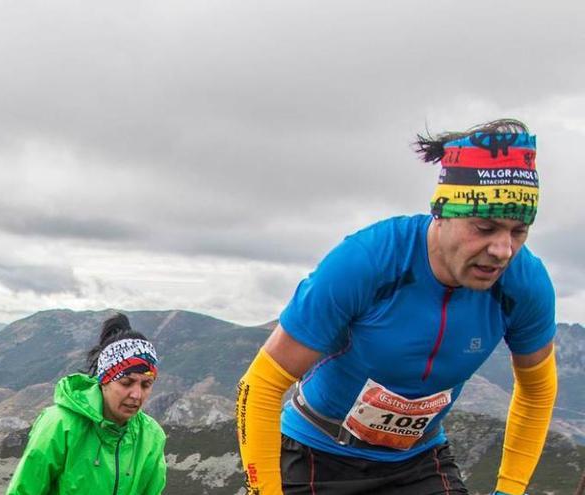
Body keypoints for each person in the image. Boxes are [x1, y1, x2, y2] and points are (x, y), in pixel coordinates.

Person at [236, 119, 557, 495]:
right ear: (442, 213)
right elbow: (259, 386)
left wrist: (509, 491)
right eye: (485, 228)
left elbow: (537, 392)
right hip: (316, 454)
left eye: (518, 232)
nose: (503, 251)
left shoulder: (525, 283)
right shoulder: (367, 261)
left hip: (419, 461)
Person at [7, 313, 167, 494]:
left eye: (146, 385)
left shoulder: (151, 436)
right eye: (126, 383)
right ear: (104, 380)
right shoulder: (60, 424)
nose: (136, 394)